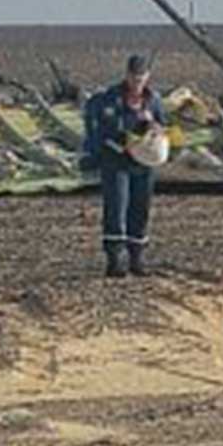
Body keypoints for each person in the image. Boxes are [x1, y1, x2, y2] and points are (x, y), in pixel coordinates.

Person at [82, 54, 168, 278]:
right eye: (134, 76)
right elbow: (100, 130)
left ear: (148, 76)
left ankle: (136, 258)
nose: (137, 81)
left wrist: (155, 127)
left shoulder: (154, 100)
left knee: (140, 208)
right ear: (127, 74)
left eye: (141, 77)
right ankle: (114, 260)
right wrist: (120, 144)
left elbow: (163, 125)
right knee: (116, 206)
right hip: (117, 161)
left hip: (144, 162)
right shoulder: (110, 99)